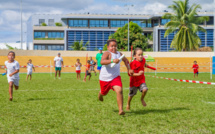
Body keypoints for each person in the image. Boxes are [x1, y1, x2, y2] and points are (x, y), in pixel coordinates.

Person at [98, 39, 131, 115]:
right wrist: (112, 61)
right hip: (105, 78)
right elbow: (102, 62)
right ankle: (100, 94)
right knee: (104, 93)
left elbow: (126, 61)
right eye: (112, 46)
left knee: (119, 90)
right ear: (108, 47)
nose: (114, 47)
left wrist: (129, 69)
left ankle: (121, 110)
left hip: (115, 77)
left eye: (115, 46)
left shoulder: (119, 53)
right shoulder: (107, 53)